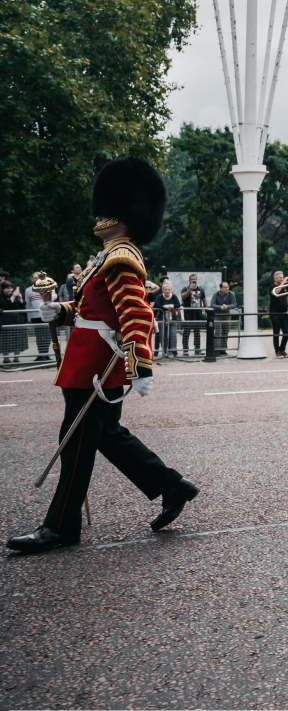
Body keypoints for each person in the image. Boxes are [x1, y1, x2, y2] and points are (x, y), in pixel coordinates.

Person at [6, 157, 198, 555]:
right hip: (87, 358)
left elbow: (135, 314)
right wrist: (59, 311)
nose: (99, 216)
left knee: (75, 442)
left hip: (98, 365)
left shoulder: (122, 258)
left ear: (123, 215)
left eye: (107, 210)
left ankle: (60, 527)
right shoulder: (107, 256)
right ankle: (172, 485)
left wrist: (140, 365)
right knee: (105, 436)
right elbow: (93, 310)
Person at [24, 275, 51, 361]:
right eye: (35, 278)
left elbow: (52, 299)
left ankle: (46, 355)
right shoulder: (28, 290)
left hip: (46, 315)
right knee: (39, 336)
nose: (37, 279)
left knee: (47, 336)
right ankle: (41, 355)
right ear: (31, 279)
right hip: (35, 316)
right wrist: (29, 317)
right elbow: (27, 304)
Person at [2, 279, 29, 364]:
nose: (9, 290)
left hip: (17, 322)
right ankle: (6, 358)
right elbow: (7, 305)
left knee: (18, 341)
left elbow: (22, 306)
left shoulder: (16, 296)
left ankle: (16, 358)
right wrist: (13, 296)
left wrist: (20, 298)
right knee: (5, 341)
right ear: (2, 289)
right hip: (5, 323)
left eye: (10, 288)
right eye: (7, 288)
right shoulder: (2, 297)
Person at [153, 279, 181, 357]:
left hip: (172, 319)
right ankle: (164, 351)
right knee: (163, 335)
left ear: (171, 290)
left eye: (169, 289)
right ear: (163, 290)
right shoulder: (159, 297)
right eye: (165, 289)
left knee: (173, 335)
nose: (167, 291)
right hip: (162, 319)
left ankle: (173, 351)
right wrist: (164, 307)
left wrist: (172, 306)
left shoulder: (174, 296)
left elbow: (178, 305)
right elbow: (157, 305)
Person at [180, 274, 207, 356]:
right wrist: (189, 290)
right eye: (192, 279)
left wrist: (206, 311)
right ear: (189, 280)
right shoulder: (185, 288)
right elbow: (183, 297)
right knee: (186, 332)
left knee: (197, 332)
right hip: (188, 313)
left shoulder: (201, 289)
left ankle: (197, 349)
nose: (193, 281)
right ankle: (185, 350)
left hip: (197, 313)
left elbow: (204, 300)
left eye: (195, 279)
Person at [268, 271, 288, 357]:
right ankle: (277, 351)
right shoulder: (272, 286)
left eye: (282, 277)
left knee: (287, 332)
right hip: (274, 313)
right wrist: (283, 283)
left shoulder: (284, 286)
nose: (282, 279)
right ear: (275, 278)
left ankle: (282, 349)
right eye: (280, 277)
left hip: (284, 312)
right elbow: (276, 292)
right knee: (276, 332)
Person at [211, 281, 236, 356]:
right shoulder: (216, 294)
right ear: (221, 288)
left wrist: (227, 306)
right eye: (225, 287)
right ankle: (216, 349)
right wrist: (220, 307)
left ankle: (223, 349)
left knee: (225, 332)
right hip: (217, 316)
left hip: (227, 316)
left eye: (228, 287)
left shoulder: (231, 294)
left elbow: (234, 304)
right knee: (218, 332)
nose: (227, 288)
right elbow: (212, 304)